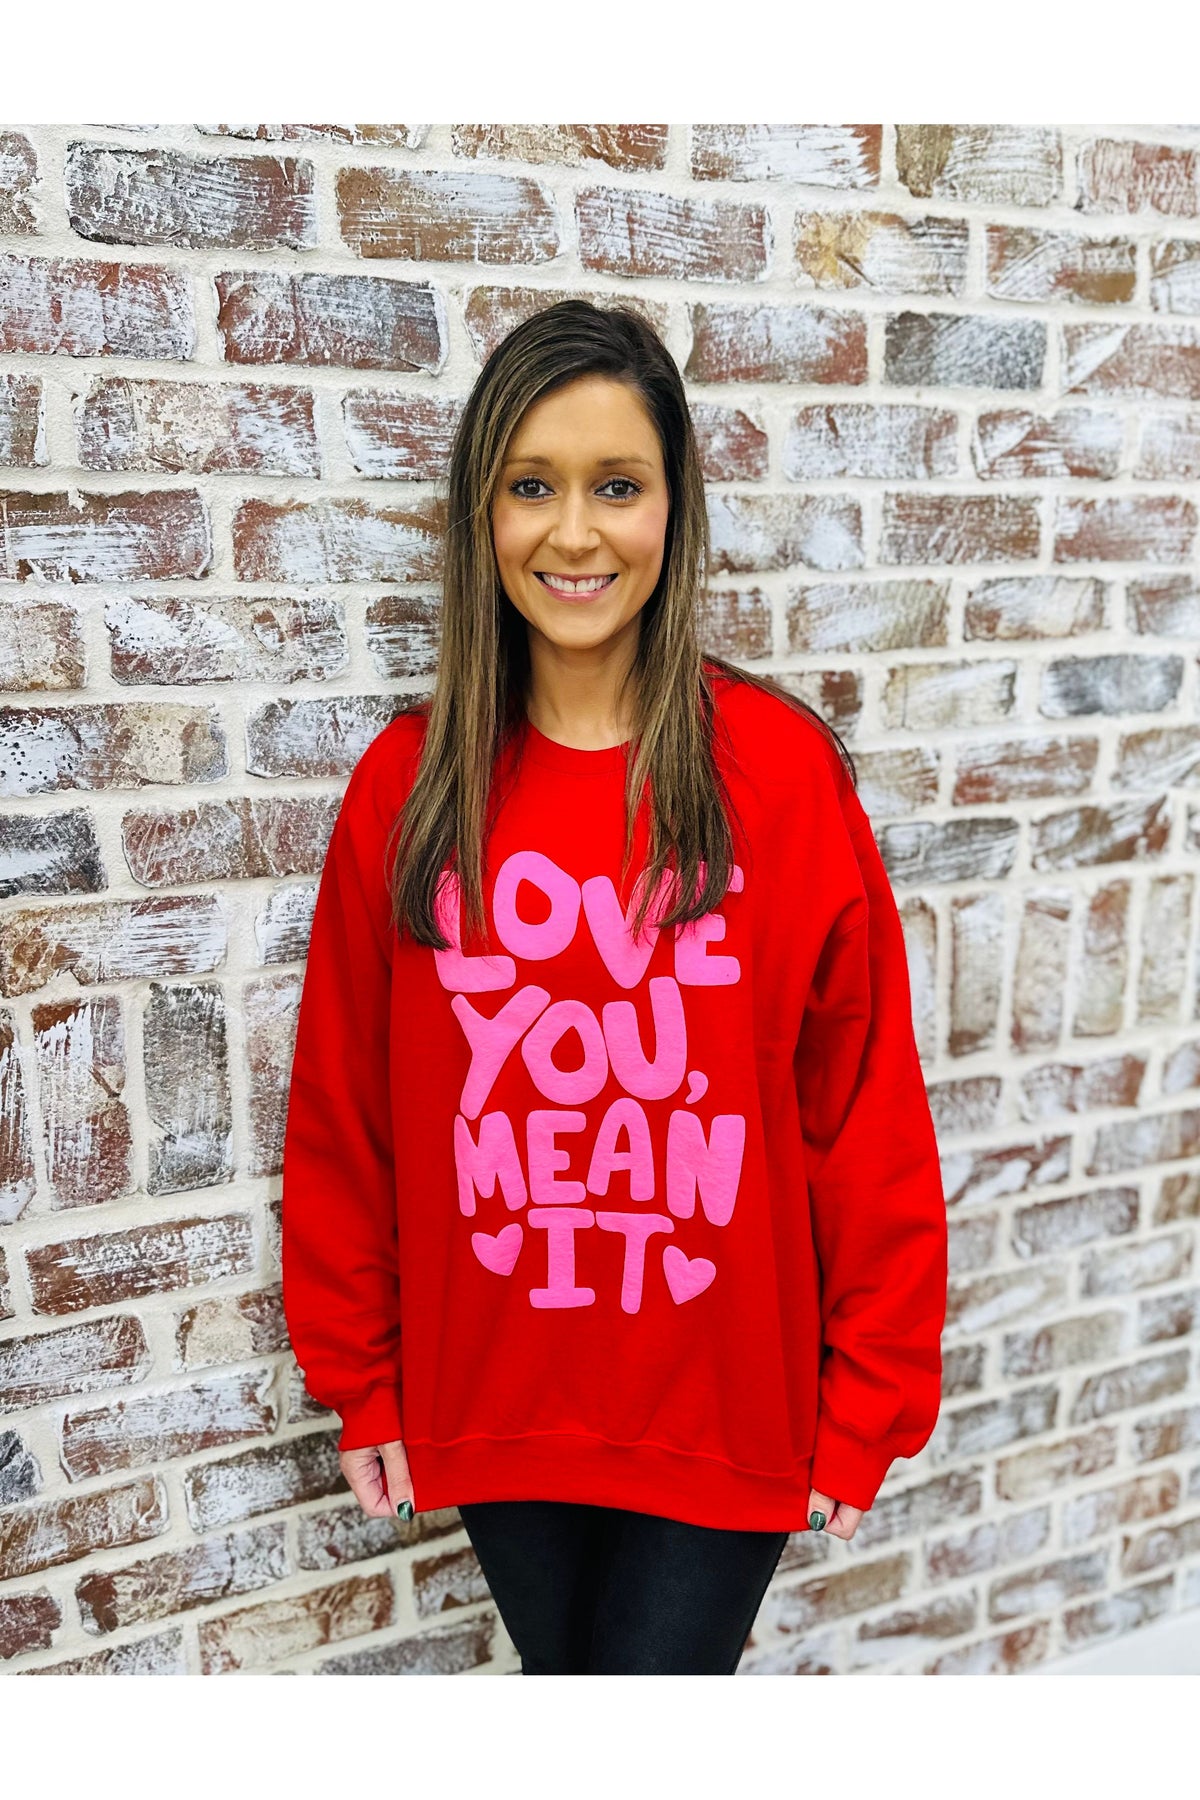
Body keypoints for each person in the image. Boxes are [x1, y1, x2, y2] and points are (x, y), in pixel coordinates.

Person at [280, 299, 948, 1676]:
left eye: (617, 486)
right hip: (499, 1399)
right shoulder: (409, 790)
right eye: (532, 486)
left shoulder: (779, 776)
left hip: (725, 1407)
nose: (575, 533)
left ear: (674, 507)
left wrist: (871, 1391)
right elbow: (347, 1114)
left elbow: (863, 1111)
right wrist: (362, 1377)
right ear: (482, 515)